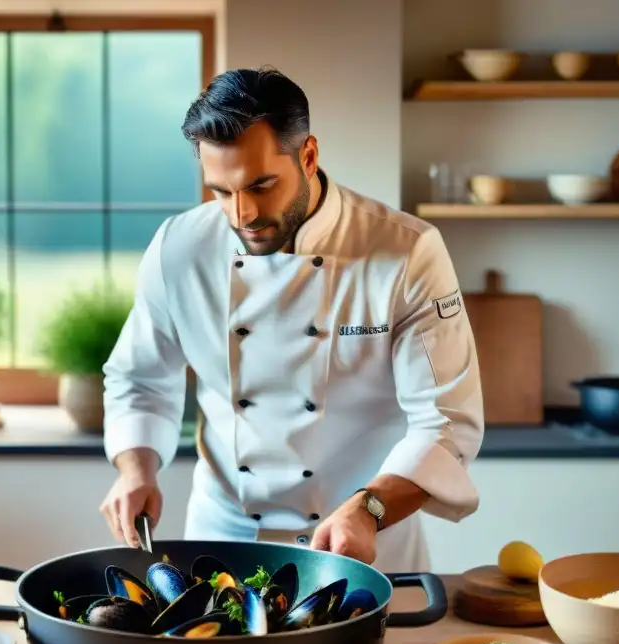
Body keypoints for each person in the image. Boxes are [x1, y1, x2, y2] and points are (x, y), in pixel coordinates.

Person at [98, 67, 484, 573]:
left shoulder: (406, 252)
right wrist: (136, 470)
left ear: (308, 155)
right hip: (223, 540)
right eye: (220, 191)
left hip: (363, 538)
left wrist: (368, 510)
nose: (242, 214)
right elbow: (141, 378)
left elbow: (445, 421)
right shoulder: (179, 248)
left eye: (261, 185)